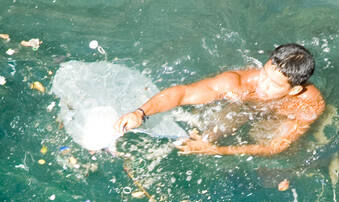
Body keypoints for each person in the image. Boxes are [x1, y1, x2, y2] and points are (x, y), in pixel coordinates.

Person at [114, 43, 325, 156]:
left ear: (294, 90)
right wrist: (140, 113)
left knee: (281, 150)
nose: (262, 85)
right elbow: (182, 94)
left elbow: (276, 147)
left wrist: (219, 151)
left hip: (281, 115)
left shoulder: (309, 104)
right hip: (245, 105)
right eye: (264, 73)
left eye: (274, 84)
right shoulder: (237, 83)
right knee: (209, 133)